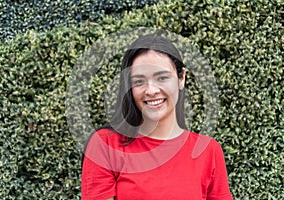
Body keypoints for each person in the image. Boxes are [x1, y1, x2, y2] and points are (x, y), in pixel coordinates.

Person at [81, 34, 233, 200]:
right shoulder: (106, 145)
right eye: (139, 81)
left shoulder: (209, 151)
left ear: (181, 78)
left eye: (162, 78)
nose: (151, 90)